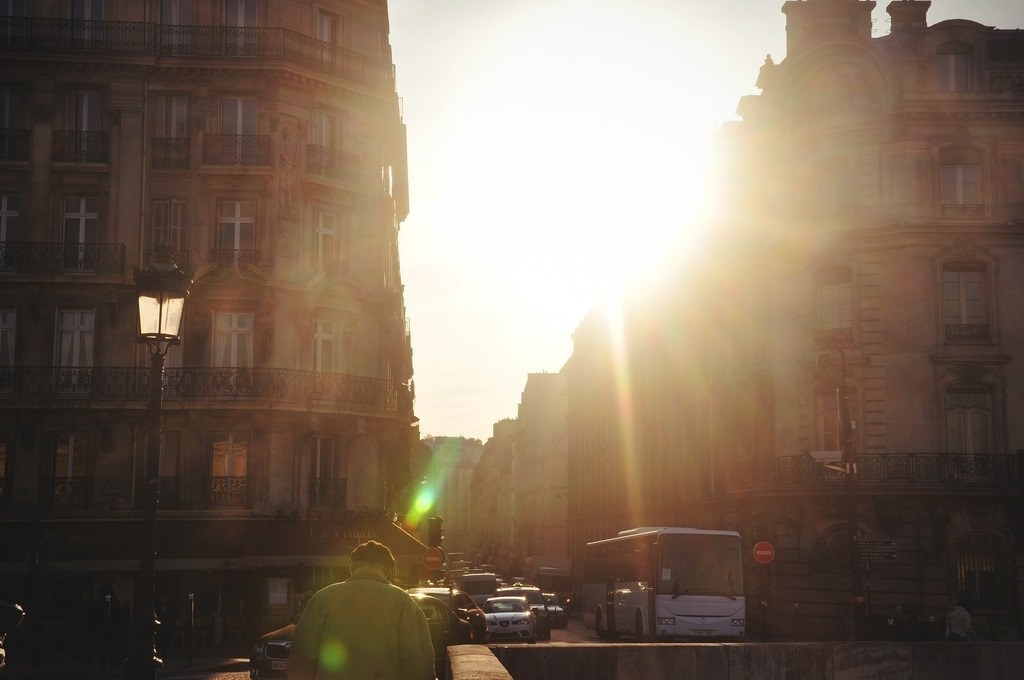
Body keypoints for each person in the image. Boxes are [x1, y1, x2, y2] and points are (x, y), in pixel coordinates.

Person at [287, 540, 435, 680]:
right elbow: (419, 665)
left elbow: (300, 660)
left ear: (351, 568)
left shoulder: (322, 598)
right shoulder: (404, 603)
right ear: (387, 571)